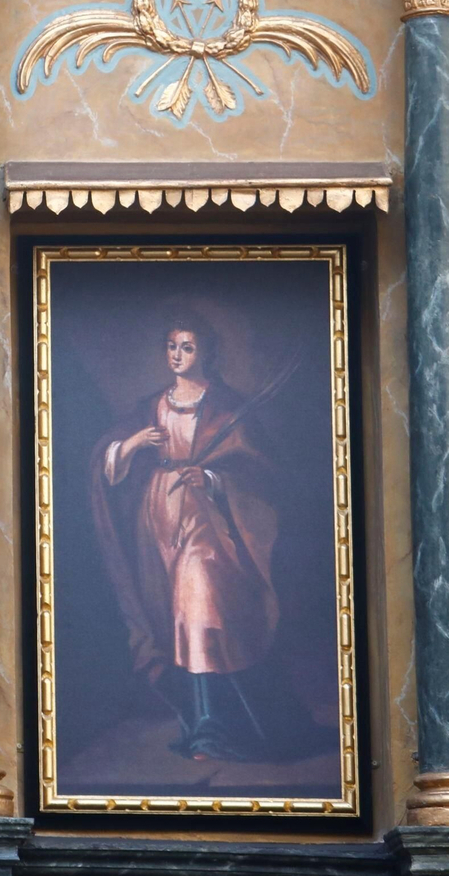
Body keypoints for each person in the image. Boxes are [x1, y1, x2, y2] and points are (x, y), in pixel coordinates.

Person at [89, 315, 316, 761]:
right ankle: (199, 721)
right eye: (171, 346)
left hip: (210, 523)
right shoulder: (151, 405)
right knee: (173, 621)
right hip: (155, 525)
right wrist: (134, 443)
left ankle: (212, 724)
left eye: (187, 347)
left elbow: (261, 472)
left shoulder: (228, 407)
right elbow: (105, 461)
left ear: (206, 352)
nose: (177, 355)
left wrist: (211, 478)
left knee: (201, 612)